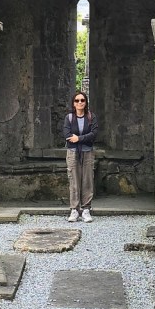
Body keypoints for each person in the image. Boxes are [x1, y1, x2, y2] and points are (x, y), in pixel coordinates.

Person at [63, 91, 98, 222]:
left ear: (86, 102)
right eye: (77, 100)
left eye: (82, 100)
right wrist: (84, 138)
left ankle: (86, 209)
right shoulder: (69, 118)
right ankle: (74, 209)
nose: (80, 103)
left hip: (87, 152)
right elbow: (67, 134)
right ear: (73, 103)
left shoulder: (91, 117)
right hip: (73, 152)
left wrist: (78, 138)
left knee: (87, 180)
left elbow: (94, 134)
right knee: (74, 180)